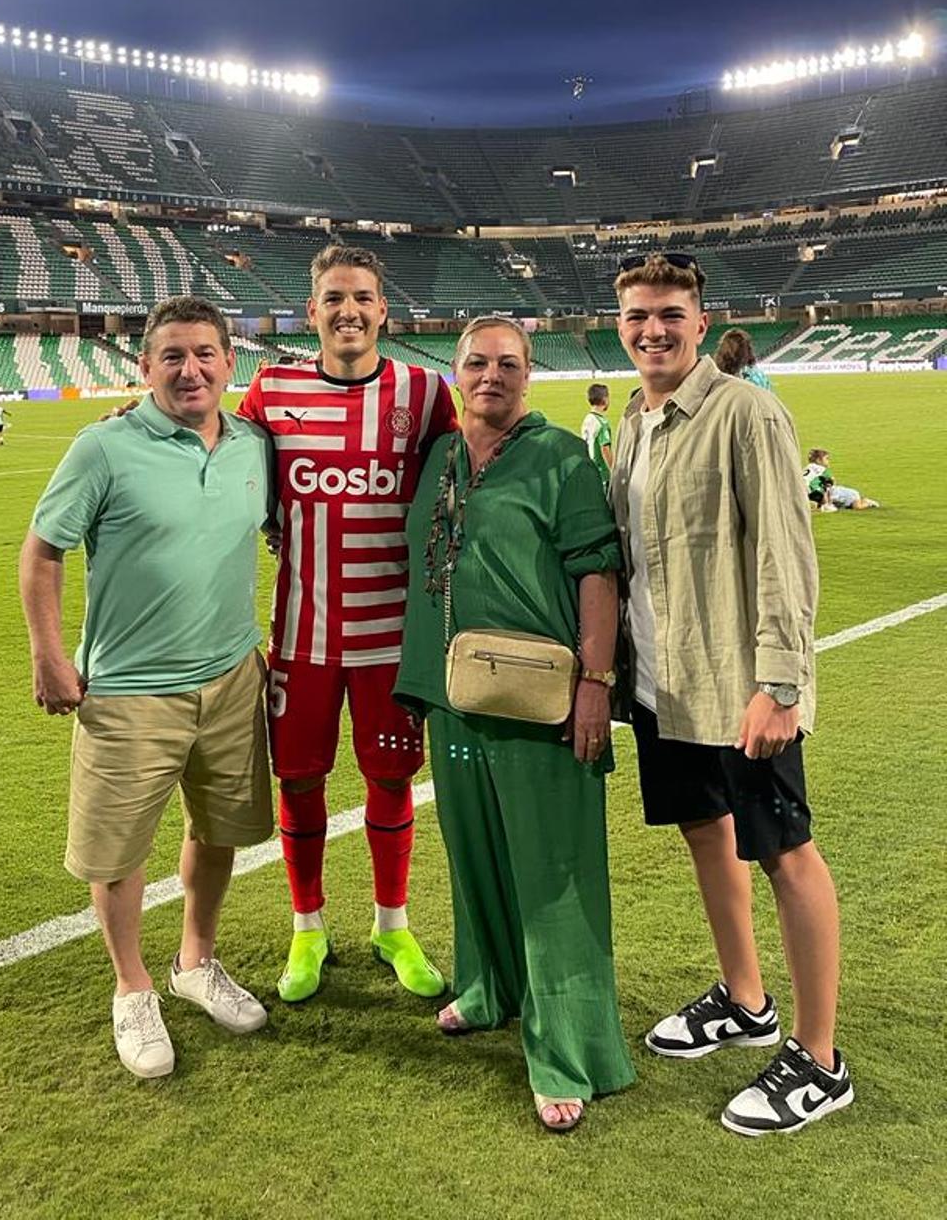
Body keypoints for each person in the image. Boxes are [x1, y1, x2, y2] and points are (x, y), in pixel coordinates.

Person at [611, 251, 851, 1136]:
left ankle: (821, 1060)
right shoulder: (637, 423)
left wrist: (779, 684)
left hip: (741, 687)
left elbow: (787, 553)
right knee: (704, 834)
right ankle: (747, 1003)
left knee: (787, 853)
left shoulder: (746, 413)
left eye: (670, 313)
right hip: (663, 685)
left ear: (700, 323)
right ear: (621, 323)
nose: (653, 329)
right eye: (638, 315)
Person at [19, 296, 274, 1080]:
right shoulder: (104, 449)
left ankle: (195, 961)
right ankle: (132, 987)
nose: (190, 369)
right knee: (119, 851)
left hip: (233, 676)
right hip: (129, 690)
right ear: (146, 367)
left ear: (232, 362)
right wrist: (50, 656)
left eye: (205, 353)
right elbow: (42, 551)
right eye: (173, 356)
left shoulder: (255, 447)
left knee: (222, 828)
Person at [395, 316, 635, 1133]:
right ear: (455, 371)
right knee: (476, 859)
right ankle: (488, 987)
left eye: (507, 363)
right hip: (453, 694)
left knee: (552, 876)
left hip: (542, 704)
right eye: (476, 361)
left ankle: (568, 1047)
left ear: (530, 374)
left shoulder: (563, 456)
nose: (490, 374)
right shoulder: (439, 456)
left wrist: (596, 683)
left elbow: (597, 571)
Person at [237, 245, 458, 1003]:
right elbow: (225, 470)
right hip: (301, 637)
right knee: (299, 781)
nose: (349, 311)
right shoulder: (270, 392)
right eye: (333, 298)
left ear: (383, 310)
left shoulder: (426, 394)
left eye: (362, 297)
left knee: (389, 781)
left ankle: (392, 924)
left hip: (392, 642)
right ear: (312, 312)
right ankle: (308, 927)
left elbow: (459, 487)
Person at [804, 448, 879, 511]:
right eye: (826, 458)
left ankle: (867, 502)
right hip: (832, 492)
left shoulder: (807, 468)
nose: (828, 461)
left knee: (857, 507)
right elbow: (831, 482)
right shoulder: (822, 470)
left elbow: (829, 485)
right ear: (818, 460)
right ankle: (828, 504)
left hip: (844, 493)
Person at [580, 382, 613, 486]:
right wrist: (613, 470)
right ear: (605, 399)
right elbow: (605, 449)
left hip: (590, 470)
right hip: (602, 474)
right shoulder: (602, 423)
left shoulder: (587, 419)